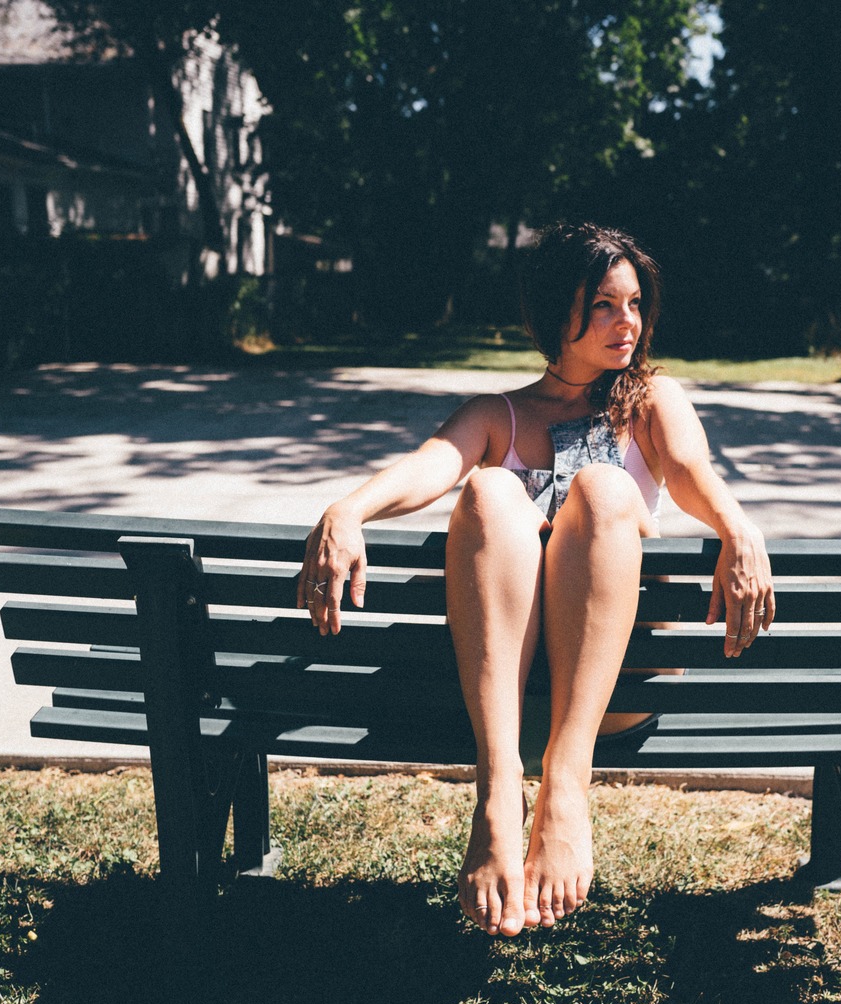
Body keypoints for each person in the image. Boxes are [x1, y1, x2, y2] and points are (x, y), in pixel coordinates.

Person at [298, 222, 775, 938]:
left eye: (635, 304)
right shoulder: (500, 416)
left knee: (607, 490)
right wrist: (348, 507)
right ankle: (498, 795)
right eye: (606, 304)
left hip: (613, 687)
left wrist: (738, 526)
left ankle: (563, 787)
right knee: (490, 490)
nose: (628, 322)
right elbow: (433, 463)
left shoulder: (647, 400)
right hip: (504, 697)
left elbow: (689, 472)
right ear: (559, 311)